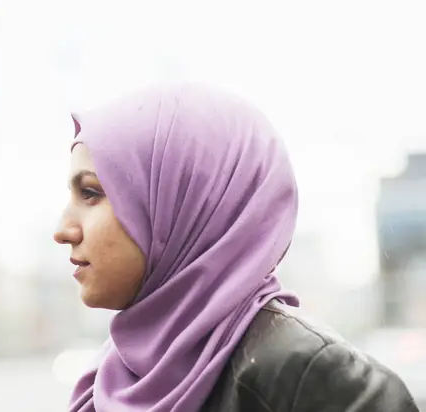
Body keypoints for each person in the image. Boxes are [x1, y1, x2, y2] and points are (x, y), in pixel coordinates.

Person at [53, 82, 418, 412]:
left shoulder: (312, 379)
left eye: (91, 193)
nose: (63, 230)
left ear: (184, 203)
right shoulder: (112, 379)